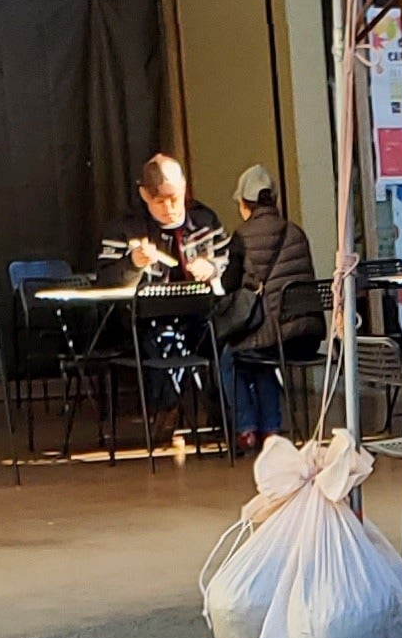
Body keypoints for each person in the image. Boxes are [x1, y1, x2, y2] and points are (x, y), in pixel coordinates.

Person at [216, 166, 322, 449]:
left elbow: (228, 284)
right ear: (274, 200)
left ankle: (247, 427)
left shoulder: (242, 236)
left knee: (230, 356)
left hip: (275, 337)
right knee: (260, 356)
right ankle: (271, 430)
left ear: (244, 204)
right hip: (307, 335)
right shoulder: (296, 232)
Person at [108, 153, 226, 286]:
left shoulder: (205, 221)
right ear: (144, 194)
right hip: (152, 298)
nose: (168, 207)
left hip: (201, 298)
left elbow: (231, 263)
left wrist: (212, 269)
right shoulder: (125, 228)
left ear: (184, 187)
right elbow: (105, 281)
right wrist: (133, 263)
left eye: (174, 199)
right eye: (160, 201)